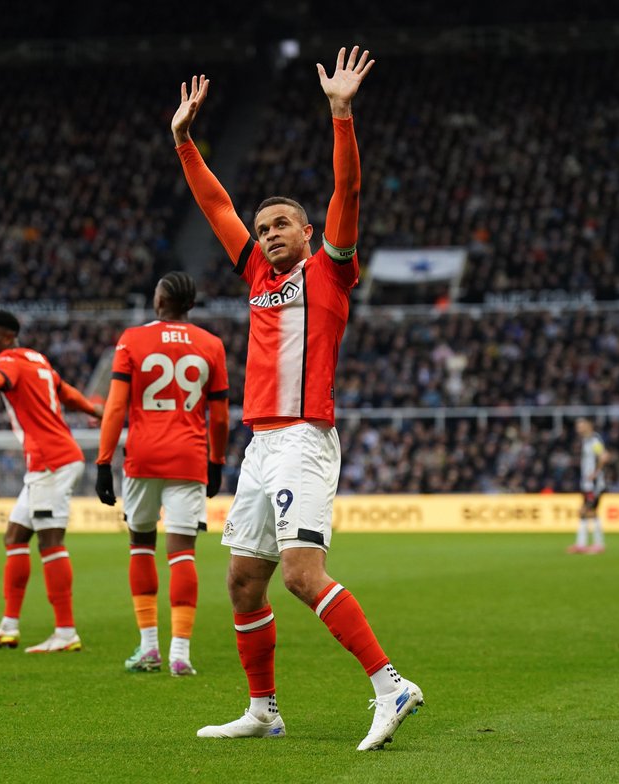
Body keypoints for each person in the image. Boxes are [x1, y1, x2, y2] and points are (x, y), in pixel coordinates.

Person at [173, 47, 423, 750]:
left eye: (280, 225)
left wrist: (341, 116)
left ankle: (390, 684)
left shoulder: (331, 272)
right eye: (262, 229)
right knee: (244, 583)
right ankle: (263, 709)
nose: (267, 235)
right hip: (261, 442)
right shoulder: (255, 271)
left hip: (305, 438)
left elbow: (349, 192)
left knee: (302, 576)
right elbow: (216, 203)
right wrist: (184, 140)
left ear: (307, 232)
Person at [94, 271, 230, 676]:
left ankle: (149, 647)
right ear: (188, 304)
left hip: (143, 457)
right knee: (182, 552)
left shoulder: (132, 340)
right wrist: (217, 461)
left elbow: (116, 407)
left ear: (159, 301)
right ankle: (181, 654)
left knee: (141, 546)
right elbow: (219, 416)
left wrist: (103, 462)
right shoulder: (211, 345)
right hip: (189, 457)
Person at [0, 311, 101, 653]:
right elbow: (68, 395)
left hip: (51, 461)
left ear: (7, 337)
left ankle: (66, 632)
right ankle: (8, 626)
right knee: (16, 535)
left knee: (50, 542)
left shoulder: (9, 361)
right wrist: (98, 412)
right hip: (52, 460)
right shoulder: (37, 359)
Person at [568, 418, 609, 554]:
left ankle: (598, 544)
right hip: (586, 484)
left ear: (588, 426)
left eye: (581, 425)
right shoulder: (586, 440)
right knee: (584, 513)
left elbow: (604, 456)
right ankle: (581, 544)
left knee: (590, 512)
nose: (578, 428)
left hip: (594, 484)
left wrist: (595, 473)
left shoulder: (594, 440)